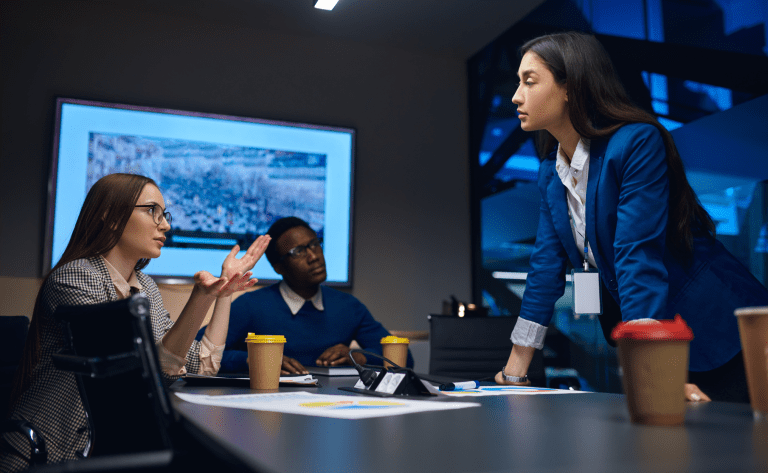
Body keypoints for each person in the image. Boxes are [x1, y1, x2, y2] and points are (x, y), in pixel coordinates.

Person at [494, 32, 768, 403]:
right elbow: (545, 266)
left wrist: (650, 366)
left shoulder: (636, 142)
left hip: (718, 326)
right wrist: (514, 370)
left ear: (570, 87)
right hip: (656, 336)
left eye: (529, 81)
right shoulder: (550, 172)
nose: (516, 96)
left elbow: (635, 250)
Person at [0, 173, 270, 471]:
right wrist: (198, 298)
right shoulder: (74, 278)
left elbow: (201, 363)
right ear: (111, 217)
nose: (165, 224)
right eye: (151, 211)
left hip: (106, 449)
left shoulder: (145, 286)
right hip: (49, 451)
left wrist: (221, 294)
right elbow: (136, 372)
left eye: (164, 214)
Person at [212, 216, 413, 374]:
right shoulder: (250, 306)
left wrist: (360, 358)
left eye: (315, 244)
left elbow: (404, 358)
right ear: (278, 267)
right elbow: (198, 352)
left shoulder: (348, 307)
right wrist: (253, 359)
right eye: (298, 251)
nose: (314, 256)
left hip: (331, 408)